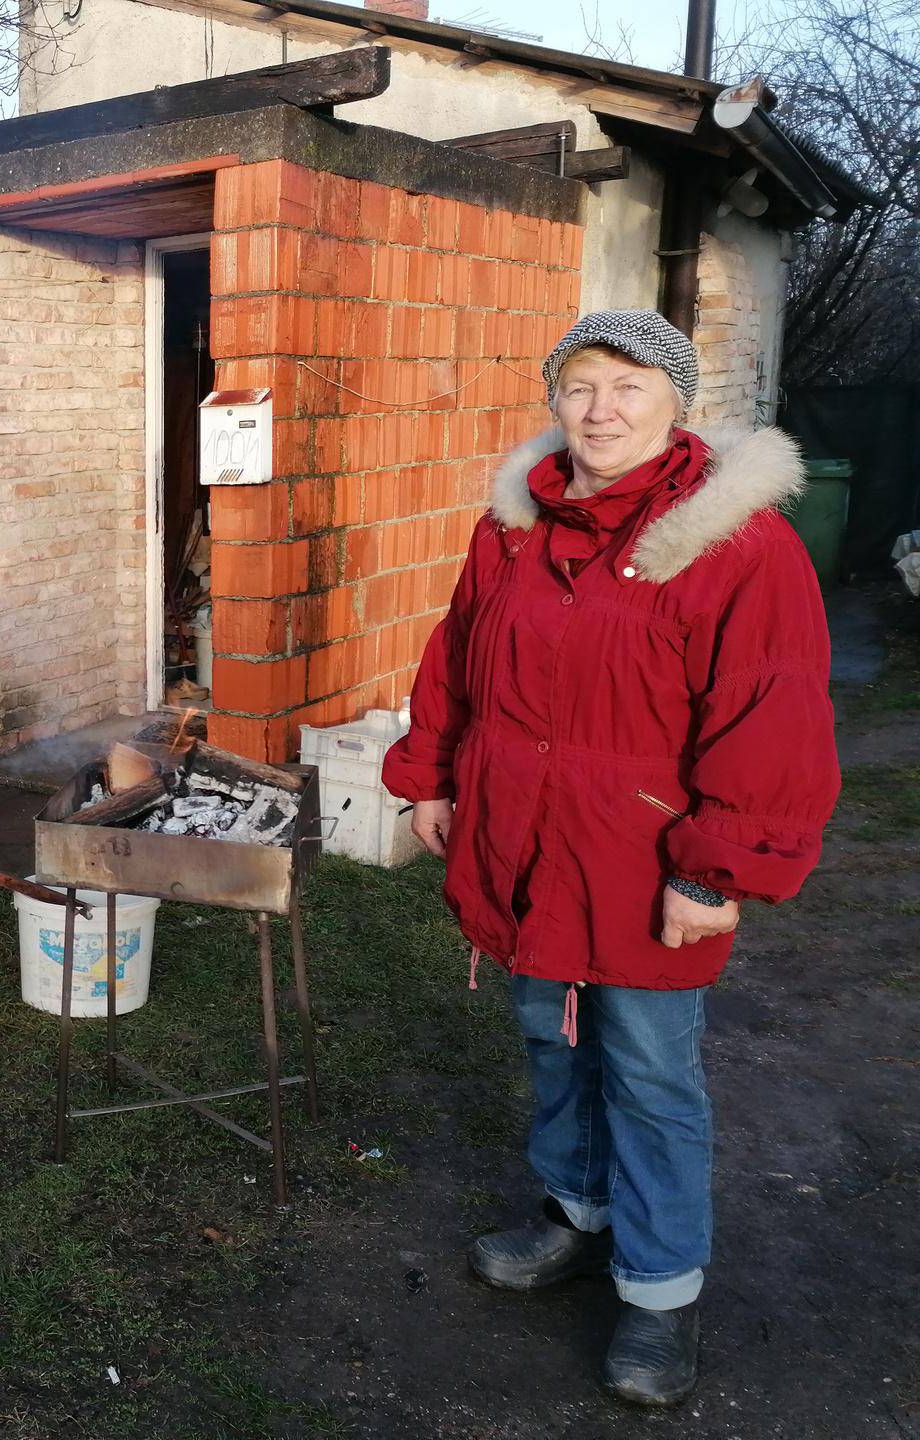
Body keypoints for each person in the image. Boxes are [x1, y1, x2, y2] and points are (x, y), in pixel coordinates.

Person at [382, 310, 839, 1407]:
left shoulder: (734, 539)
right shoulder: (511, 529)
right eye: (582, 385)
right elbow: (457, 658)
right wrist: (433, 778)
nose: (601, 410)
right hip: (525, 839)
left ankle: (661, 1290)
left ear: (677, 404)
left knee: (647, 1072)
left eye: (630, 387)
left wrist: (713, 869)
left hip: (643, 858)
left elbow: (771, 711)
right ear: (555, 400)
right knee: (553, 1037)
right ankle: (577, 1215)